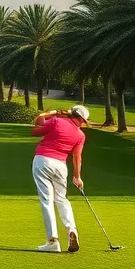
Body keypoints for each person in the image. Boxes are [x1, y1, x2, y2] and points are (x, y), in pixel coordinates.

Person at [30, 105, 91, 253]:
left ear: (71, 113)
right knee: (61, 199)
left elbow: (37, 127)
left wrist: (53, 112)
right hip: (61, 166)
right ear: (82, 120)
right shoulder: (80, 135)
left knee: (47, 200)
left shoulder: (57, 121)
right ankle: (72, 230)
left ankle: (53, 241)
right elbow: (77, 157)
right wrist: (77, 177)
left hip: (43, 160)